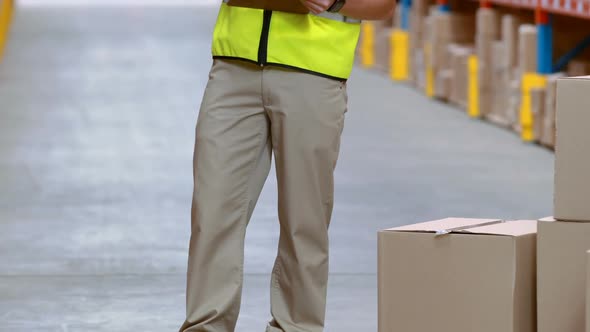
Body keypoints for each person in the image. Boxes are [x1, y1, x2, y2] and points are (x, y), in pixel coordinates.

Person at [179, 0, 396, 331]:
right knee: (212, 212)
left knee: (303, 221)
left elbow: (383, 5)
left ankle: (295, 327)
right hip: (233, 69)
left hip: (314, 73)